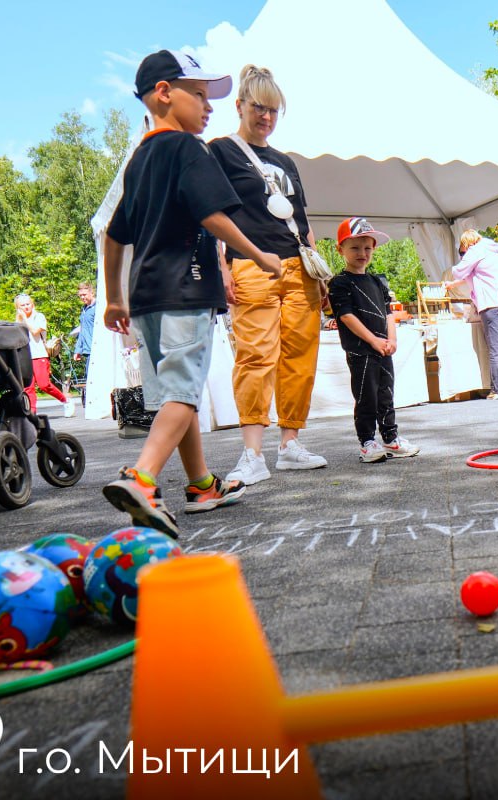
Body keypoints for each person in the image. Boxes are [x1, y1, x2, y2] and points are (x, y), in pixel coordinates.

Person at [101, 49, 284, 537]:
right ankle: (141, 479)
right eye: (200, 96)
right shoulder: (188, 150)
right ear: (164, 93)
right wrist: (259, 254)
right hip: (186, 289)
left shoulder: (138, 160)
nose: (209, 108)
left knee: (175, 397)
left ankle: (201, 485)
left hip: (145, 297)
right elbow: (213, 216)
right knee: (183, 392)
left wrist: (114, 298)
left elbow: (114, 234)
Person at [209, 65, 327, 486]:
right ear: (239, 105)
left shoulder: (286, 161)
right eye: (259, 108)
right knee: (256, 357)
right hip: (250, 264)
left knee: (300, 358)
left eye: (274, 110)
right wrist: (222, 267)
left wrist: (320, 271)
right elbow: (212, 214)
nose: (267, 117)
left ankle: (289, 444)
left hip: (298, 266)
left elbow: (302, 219)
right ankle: (252, 453)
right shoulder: (220, 150)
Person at [327, 217, 420, 464]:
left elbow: (389, 312)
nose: (362, 253)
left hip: (383, 349)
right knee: (365, 395)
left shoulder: (378, 281)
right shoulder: (339, 283)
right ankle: (367, 441)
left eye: (367, 247)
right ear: (341, 249)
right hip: (361, 350)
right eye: (355, 247)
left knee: (386, 393)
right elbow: (346, 316)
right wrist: (373, 341)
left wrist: (391, 339)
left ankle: (390, 437)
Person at [445, 230, 498, 400]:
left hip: (490, 304)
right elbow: (474, 274)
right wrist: (454, 284)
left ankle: (496, 390)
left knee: (496, 348)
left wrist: (451, 276)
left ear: (467, 243)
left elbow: (460, 271)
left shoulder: (474, 251)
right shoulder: (493, 252)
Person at [14, 294, 73, 417]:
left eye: (27, 304)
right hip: (25, 357)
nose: (26, 307)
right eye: (22, 305)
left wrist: (25, 319)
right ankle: (32, 413)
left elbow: (35, 331)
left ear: (32, 304)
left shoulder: (38, 317)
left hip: (39, 355)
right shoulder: (18, 321)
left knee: (44, 384)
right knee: (28, 387)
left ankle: (65, 401)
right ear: (18, 307)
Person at [73, 281, 94, 402]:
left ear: (92, 293)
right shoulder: (84, 310)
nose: (82, 297)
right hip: (87, 349)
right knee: (90, 377)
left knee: (95, 377)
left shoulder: (98, 308)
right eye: (80, 295)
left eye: (85, 294)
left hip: (97, 349)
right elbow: (82, 332)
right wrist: (78, 349)